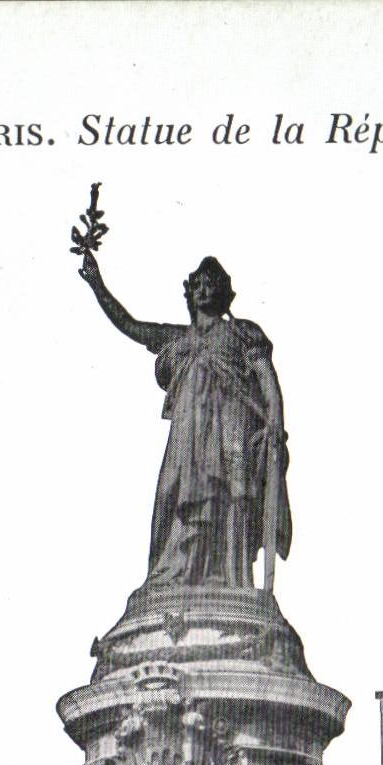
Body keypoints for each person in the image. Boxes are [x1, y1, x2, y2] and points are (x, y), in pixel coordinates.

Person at [78, 248, 291, 592]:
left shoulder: (242, 333)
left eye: (212, 284)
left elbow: (267, 378)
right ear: (190, 293)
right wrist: (97, 284)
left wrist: (275, 424)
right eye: (199, 285)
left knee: (234, 496)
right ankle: (169, 575)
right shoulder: (179, 338)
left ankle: (235, 580)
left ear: (225, 293)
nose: (205, 290)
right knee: (170, 493)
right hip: (187, 434)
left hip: (232, 423)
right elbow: (132, 326)